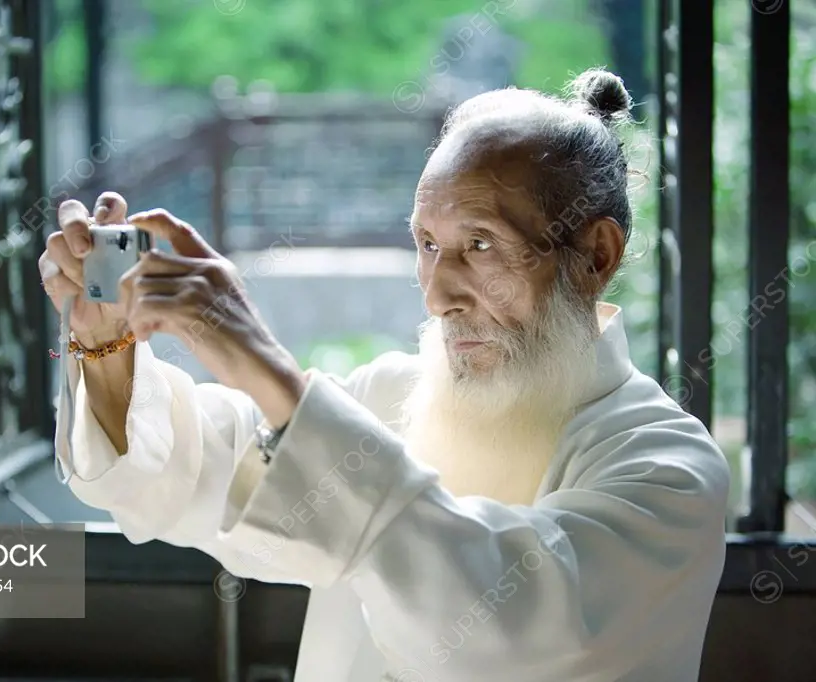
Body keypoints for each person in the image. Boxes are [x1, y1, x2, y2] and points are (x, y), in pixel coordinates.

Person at [39, 69, 730, 682]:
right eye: (426, 245)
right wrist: (107, 345)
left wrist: (260, 361)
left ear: (596, 255)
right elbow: (193, 470)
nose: (437, 293)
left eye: (479, 245)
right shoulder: (394, 397)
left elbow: (506, 632)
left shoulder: (668, 469)